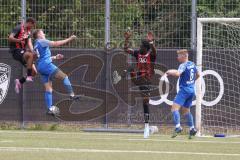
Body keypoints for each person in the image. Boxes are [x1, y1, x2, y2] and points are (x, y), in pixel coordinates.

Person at [113, 31, 156, 138]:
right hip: (137, 78)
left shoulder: (151, 55)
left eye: (142, 46)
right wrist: (127, 39)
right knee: (130, 67)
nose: (140, 47)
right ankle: (119, 77)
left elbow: (154, 50)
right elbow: (126, 49)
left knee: (145, 102)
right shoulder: (138, 53)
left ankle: (147, 126)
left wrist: (151, 42)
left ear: (146, 48)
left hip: (146, 81)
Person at [33, 29, 80, 116]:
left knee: (49, 89)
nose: (44, 33)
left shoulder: (35, 44)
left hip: (40, 67)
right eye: (42, 32)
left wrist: (55, 57)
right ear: (39, 35)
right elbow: (55, 43)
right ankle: (72, 95)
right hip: (47, 65)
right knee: (64, 77)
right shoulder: (41, 41)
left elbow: (42, 57)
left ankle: (50, 108)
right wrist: (69, 39)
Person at [166, 49, 200, 139]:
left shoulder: (183, 65)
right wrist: (191, 82)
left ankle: (178, 127)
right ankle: (192, 129)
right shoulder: (192, 64)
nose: (177, 58)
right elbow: (198, 75)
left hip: (184, 90)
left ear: (184, 56)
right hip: (191, 91)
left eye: (179, 56)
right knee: (186, 111)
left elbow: (177, 74)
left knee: (174, 108)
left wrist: (169, 72)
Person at [8, 17, 37, 93]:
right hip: (16, 51)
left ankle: (19, 82)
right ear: (29, 23)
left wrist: (33, 50)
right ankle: (29, 76)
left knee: (34, 72)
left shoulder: (28, 31)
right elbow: (10, 38)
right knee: (30, 55)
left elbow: (29, 43)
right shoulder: (18, 28)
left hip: (23, 51)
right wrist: (18, 40)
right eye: (32, 25)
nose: (32, 27)